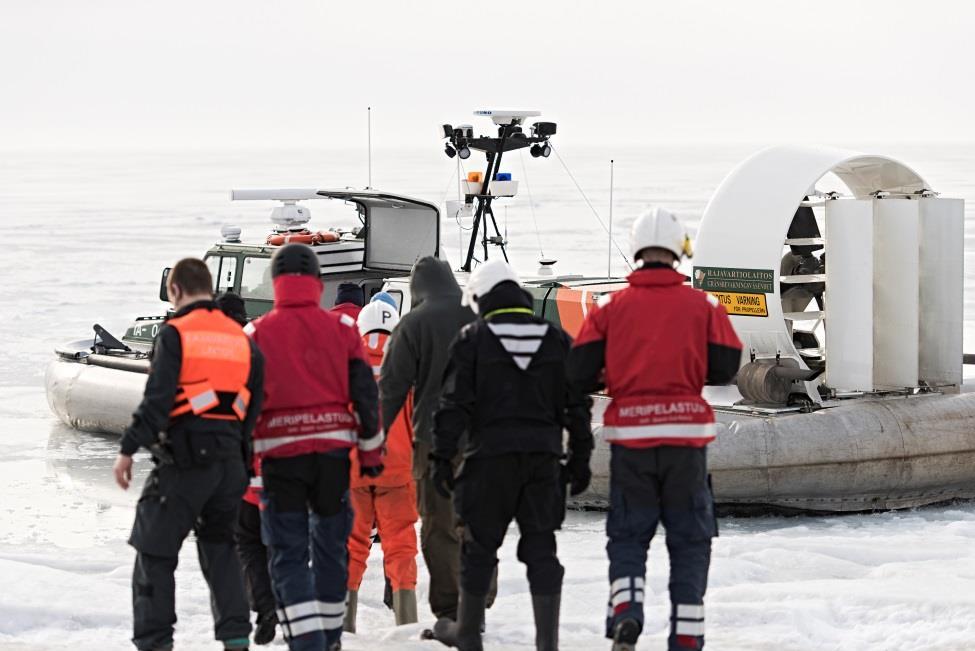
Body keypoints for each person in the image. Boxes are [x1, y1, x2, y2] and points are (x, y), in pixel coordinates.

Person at [567, 207, 743, 651]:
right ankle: (686, 634)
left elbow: (578, 372)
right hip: (686, 444)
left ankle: (626, 613)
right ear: (678, 252)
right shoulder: (704, 305)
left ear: (637, 251)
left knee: (629, 534)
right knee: (690, 539)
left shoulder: (610, 308)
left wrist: (617, 374)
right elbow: (725, 368)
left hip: (631, 442)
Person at [430, 260, 593, 651]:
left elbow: (453, 406)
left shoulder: (472, 339)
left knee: (479, 548)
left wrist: (440, 458)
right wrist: (581, 457)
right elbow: (577, 405)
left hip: (487, 462)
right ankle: (546, 643)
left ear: (483, 298)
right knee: (541, 549)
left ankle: (468, 635)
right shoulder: (555, 339)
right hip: (542, 463)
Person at [113, 259, 264, 651]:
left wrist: (128, 448)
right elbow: (251, 408)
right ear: (210, 290)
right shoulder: (243, 339)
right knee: (221, 549)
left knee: (154, 550)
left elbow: (158, 400)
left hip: (184, 461)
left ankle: (155, 642)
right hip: (230, 463)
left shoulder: (176, 333)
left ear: (175, 291)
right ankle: (235, 638)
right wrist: (240, 454)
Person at [247, 244, 382, 651]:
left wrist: (242, 468)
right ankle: (329, 637)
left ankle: (306, 641)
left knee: (287, 554)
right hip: (331, 461)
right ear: (318, 284)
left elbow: (244, 406)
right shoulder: (342, 331)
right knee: (329, 549)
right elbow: (365, 397)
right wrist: (372, 455)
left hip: (280, 464)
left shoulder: (256, 334)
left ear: (275, 284)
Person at [379, 256, 495, 624]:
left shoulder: (414, 323)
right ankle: (481, 594)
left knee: (439, 525)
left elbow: (392, 388)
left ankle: (450, 610)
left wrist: (375, 438)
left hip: (433, 439)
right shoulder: (480, 319)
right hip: (482, 439)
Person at [344, 300, 420, 632]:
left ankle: (344, 624)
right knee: (401, 544)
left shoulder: (344, 362)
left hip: (354, 468)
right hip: (398, 468)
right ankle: (406, 621)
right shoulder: (409, 363)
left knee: (351, 545)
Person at [214, 292, 279, 647]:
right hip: (277, 462)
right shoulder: (261, 344)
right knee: (274, 542)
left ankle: (256, 607)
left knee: (244, 543)